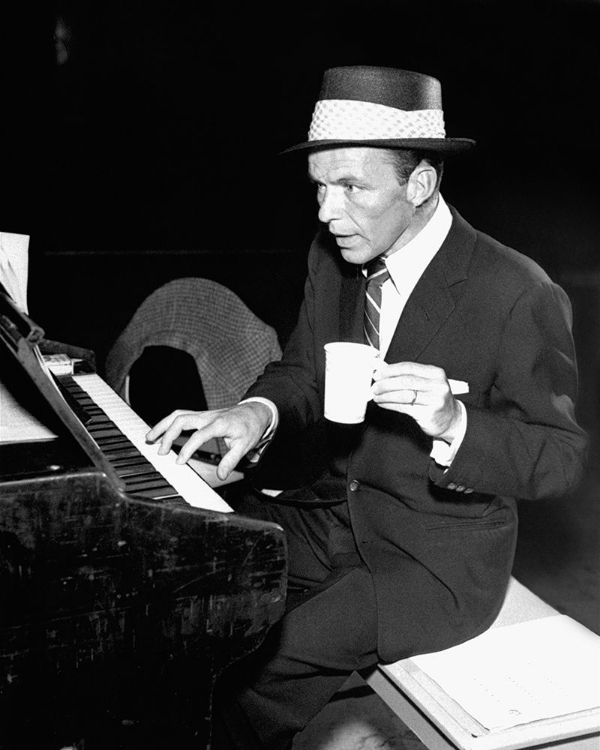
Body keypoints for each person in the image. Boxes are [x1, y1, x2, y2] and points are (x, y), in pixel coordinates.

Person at [146, 66, 588, 749]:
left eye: (351, 187)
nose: (326, 212)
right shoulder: (335, 255)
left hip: (433, 561)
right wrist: (256, 412)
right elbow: (302, 368)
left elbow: (561, 458)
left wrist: (456, 425)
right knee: (198, 575)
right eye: (320, 187)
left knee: (259, 666)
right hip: (330, 514)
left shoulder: (516, 290)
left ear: (419, 185)